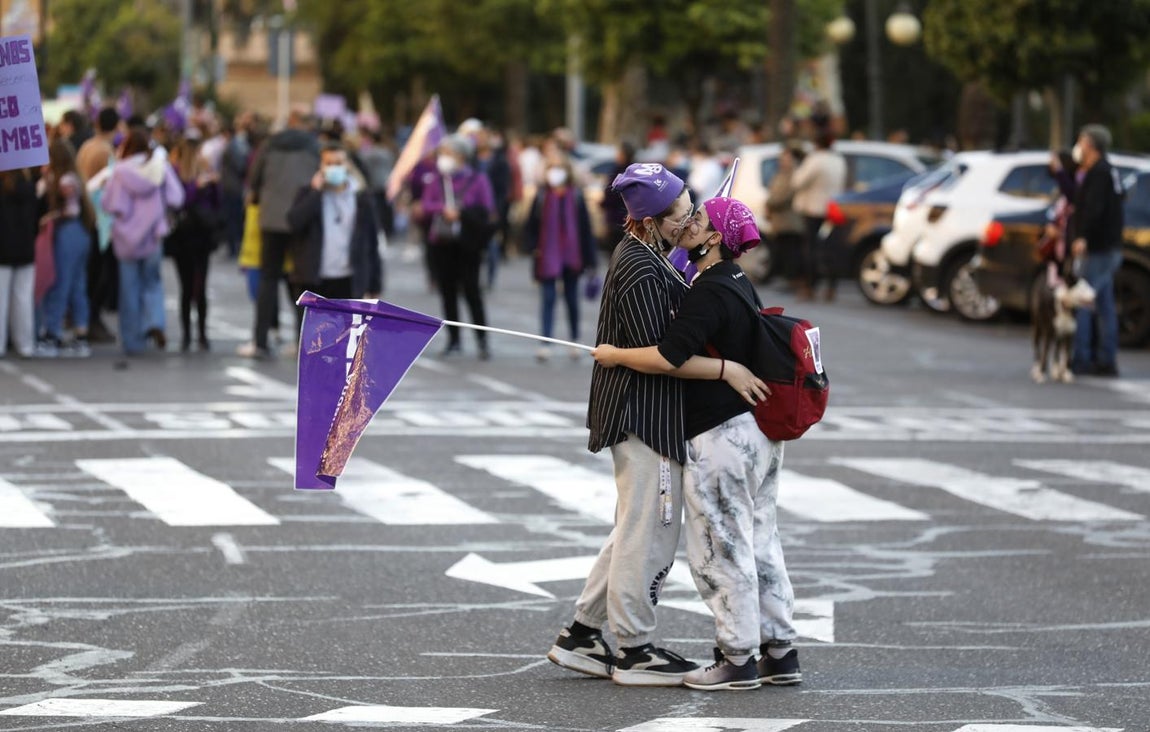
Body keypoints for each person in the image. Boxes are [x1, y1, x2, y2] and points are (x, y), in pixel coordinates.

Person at [547, 164, 761, 687]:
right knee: (651, 535)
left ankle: (582, 635)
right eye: (682, 213)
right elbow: (662, 357)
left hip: (649, 413)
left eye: (692, 209)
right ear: (651, 221)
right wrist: (727, 368)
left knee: (633, 529)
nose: (690, 221)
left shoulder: (650, 257)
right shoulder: (641, 268)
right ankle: (634, 649)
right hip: (644, 417)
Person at [592, 196, 800, 691]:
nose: (688, 222)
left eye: (699, 219)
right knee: (761, 541)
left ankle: (737, 659)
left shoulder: (709, 290)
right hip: (756, 434)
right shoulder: (738, 282)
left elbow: (669, 356)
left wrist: (614, 354)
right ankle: (779, 651)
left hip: (722, 437)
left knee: (719, 549)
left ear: (714, 238)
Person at [244, 106, 320, 359]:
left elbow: (254, 180)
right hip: (301, 219)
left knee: (268, 278)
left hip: (272, 218)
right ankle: (301, 340)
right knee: (299, 279)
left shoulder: (269, 145)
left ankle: (261, 340)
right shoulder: (313, 147)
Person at [101, 128, 186, 355]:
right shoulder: (160, 167)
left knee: (129, 289)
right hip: (153, 235)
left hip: (126, 238)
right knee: (153, 283)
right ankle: (155, 321)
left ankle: (132, 339)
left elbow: (109, 204)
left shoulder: (119, 171)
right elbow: (177, 197)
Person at [420, 134, 496, 360]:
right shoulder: (437, 179)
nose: (443, 158)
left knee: (472, 292)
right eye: (442, 153)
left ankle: (482, 339)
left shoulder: (478, 179)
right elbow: (426, 204)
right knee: (447, 291)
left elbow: (487, 208)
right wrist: (443, 209)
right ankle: (453, 339)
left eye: (448, 153)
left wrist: (462, 212)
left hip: (468, 245)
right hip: (442, 243)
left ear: (462, 156)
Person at [285, 142, 383, 302]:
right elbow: (294, 222)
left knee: (346, 327)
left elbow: (372, 242)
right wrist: (316, 193)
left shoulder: (362, 199)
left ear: (347, 165)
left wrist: (375, 285)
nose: (333, 168)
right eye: (328, 163)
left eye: (338, 163)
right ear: (320, 166)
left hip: (349, 281)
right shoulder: (307, 193)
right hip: (312, 281)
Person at [522, 154, 597, 361]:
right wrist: (532, 248)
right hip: (547, 255)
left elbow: (585, 230)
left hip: (572, 256)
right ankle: (545, 342)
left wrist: (591, 261)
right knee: (548, 298)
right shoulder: (541, 196)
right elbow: (529, 226)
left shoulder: (577, 197)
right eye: (552, 168)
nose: (555, 173)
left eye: (559, 168)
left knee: (572, 300)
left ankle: (574, 340)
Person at [1069, 125, 1125, 377]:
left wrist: (1083, 237)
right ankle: (1105, 358)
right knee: (1104, 305)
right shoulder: (1108, 171)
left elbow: (1094, 209)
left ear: (1091, 144)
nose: (1078, 146)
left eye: (1081, 141)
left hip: (1099, 248)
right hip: (1108, 246)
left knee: (1084, 301)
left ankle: (1081, 358)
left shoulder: (1099, 173)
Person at [36, 139, 97, 358]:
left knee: (60, 284)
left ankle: (52, 334)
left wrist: (50, 217)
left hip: (67, 234)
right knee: (77, 285)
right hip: (81, 234)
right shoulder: (74, 176)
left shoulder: (63, 180)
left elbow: (69, 210)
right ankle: (81, 334)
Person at [167, 137, 222, 351]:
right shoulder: (176, 173)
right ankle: (187, 335)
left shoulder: (206, 170)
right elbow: (180, 201)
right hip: (183, 236)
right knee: (186, 287)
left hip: (202, 237)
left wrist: (214, 185)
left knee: (201, 286)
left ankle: (201, 333)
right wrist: (196, 187)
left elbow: (217, 204)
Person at [76, 106, 121, 344]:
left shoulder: (86, 147)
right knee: (99, 275)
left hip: (85, 215)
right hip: (100, 220)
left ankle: (86, 319)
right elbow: (109, 187)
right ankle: (92, 319)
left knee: (89, 273)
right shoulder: (105, 151)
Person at [793, 131, 846, 301]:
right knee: (831, 248)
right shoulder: (839, 161)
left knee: (811, 249)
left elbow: (797, 181)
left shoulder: (814, 160)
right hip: (833, 210)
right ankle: (832, 286)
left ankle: (811, 285)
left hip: (814, 209)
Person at [0, 168, 39, 358]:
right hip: (25, 248)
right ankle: (25, 344)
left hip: (3, 250)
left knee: (1, 299)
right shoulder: (29, 187)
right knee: (23, 298)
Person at [767, 144, 806, 290]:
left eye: (786, 158)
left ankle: (793, 280)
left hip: (790, 221)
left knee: (792, 252)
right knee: (783, 251)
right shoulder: (780, 175)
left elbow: (783, 196)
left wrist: (771, 202)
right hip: (779, 221)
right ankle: (787, 278)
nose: (783, 161)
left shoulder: (795, 175)